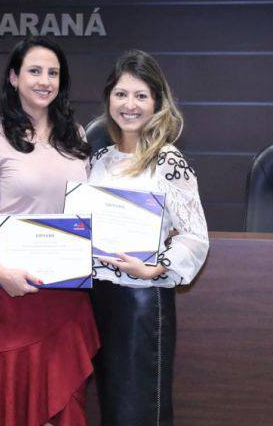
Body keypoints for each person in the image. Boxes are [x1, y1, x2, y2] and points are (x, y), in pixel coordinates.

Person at [0, 36, 99, 426]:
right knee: (11, 390)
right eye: (34, 71)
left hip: (66, 288)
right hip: (12, 285)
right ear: (13, 77)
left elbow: (87, 211)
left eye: (53, 73)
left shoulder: (77, 135)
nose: (45, 80)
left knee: (63, 389)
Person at [88, 50, 209, 425]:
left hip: (142, 301)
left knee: (139, 410)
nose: (130, 105)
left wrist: (154, 269)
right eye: (121, 94)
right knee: (111, 405)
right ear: (109, 98)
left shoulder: (168, 161)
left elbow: (194, 236)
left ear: (156, 102)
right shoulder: (98, 160)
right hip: (98, 299)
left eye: (141, 95)